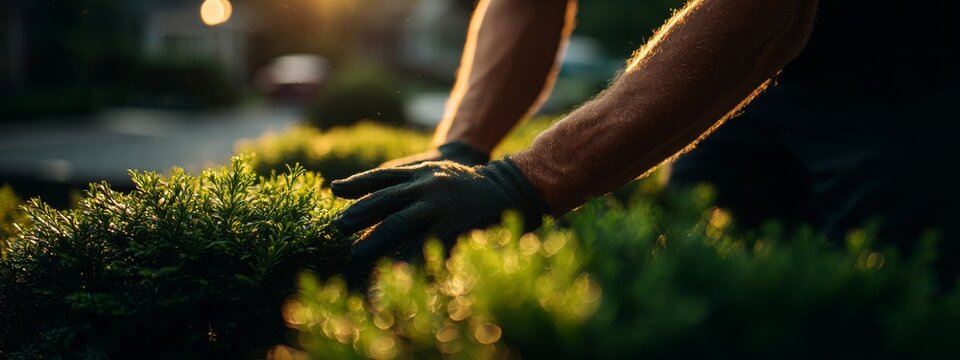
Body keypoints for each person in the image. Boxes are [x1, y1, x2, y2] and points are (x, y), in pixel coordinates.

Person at [331, 0, 959, 284]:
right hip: (742, 90)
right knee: (698, 286)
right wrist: (460, 151)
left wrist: (519, 183)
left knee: (904, 294)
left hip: (908, 83)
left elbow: (768, 13)